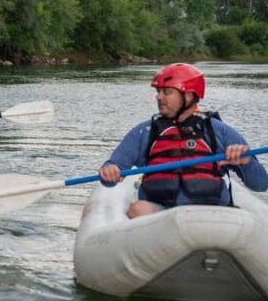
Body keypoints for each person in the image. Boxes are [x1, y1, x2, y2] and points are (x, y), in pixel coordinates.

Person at [98, 62, 268, 218]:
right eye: (158, 92)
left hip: (211, 213)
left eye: (167, 92)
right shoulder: (145, 132)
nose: (159, 97)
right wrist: (109, 171)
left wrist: (245, 162)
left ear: (188, 95)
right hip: (162, 216)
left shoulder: (218, 131)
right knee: (138, 209)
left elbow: (260, 184)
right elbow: (112, 173)